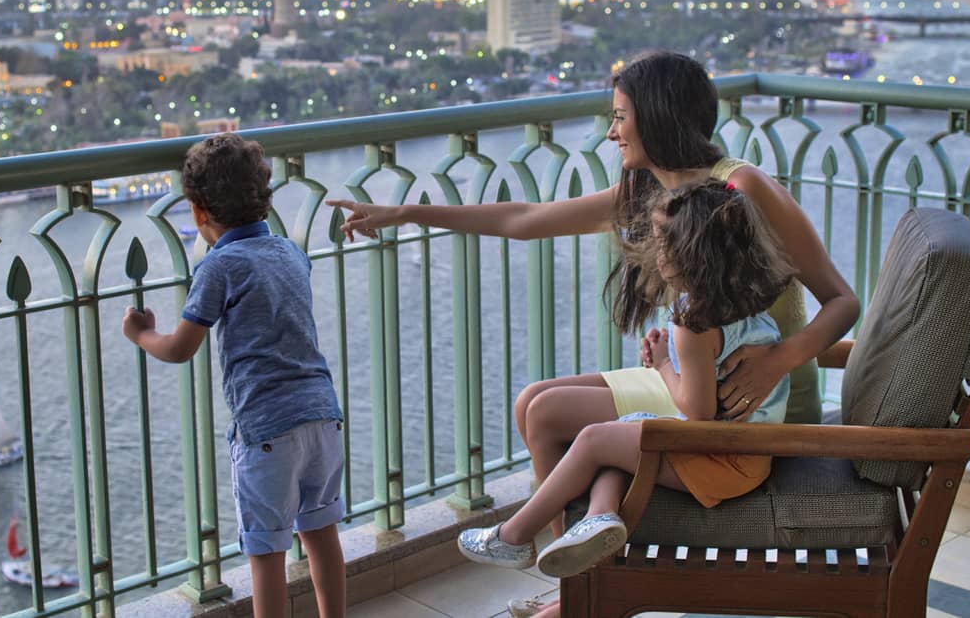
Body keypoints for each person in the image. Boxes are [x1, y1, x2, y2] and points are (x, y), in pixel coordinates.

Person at [327, 51, 858, 493]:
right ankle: (571, 577)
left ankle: (569, 584)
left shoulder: (743, 188)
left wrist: (776, 363)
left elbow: (842, 301)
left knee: (546, 415)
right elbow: (525, 219)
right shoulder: (652, 191)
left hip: (758, 409)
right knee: (531, 402)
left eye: (620, 117)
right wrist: (406, 212)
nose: (611, 134)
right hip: (701, 390)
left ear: (657, 116)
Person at [456, 179, 795, 588]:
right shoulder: (744, 302)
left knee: (595, 440)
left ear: (688, 255)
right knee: (620, 437)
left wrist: (665, 365)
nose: (655, 253)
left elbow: (698, 410)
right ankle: (600, 515)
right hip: (747, 454)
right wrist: (674, 360)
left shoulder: (694, 324)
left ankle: (513, 536)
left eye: (661, 244)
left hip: (723, 461)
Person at [122, 133, 346, 618]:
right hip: (323, 415)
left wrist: (142, 334)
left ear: (198, 210)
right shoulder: (289, 252)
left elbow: (181, 348)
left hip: (266, 428)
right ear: (263, 195)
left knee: (266, 553)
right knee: (321, 533)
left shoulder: (218, 265)